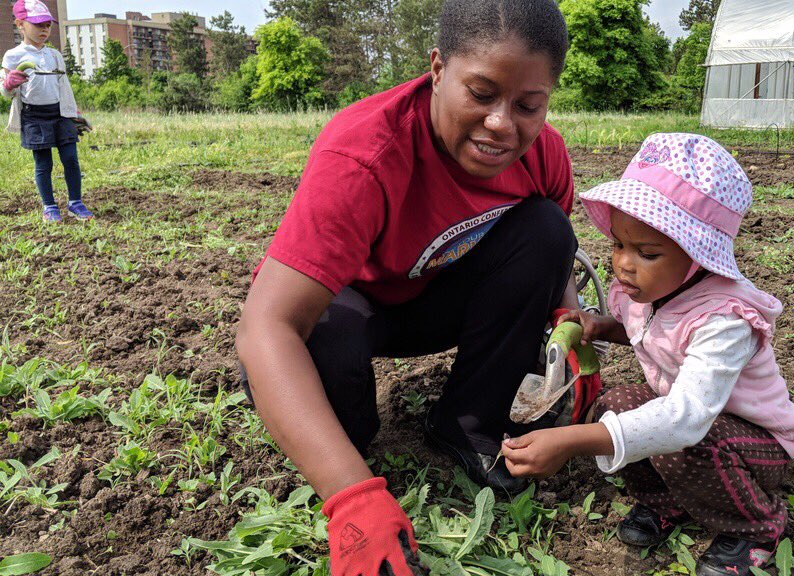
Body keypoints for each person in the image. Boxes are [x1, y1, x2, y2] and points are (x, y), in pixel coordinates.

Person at [234, 0, 587, 574]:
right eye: (480, 93)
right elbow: (266, 325)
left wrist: (572, 334)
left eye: (528, 105)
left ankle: (467, 422)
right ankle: (356, 457)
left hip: (438, 297)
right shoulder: (364, 153)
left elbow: (554, 261)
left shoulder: (543, 153)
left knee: (548, 229)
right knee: (338, 409)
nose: (502, 123)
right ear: (438, 68)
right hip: (350, 309)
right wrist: (351, 497)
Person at [500, 133, 794, 576]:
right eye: (619, 244)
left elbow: (685, 419)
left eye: (646, 252)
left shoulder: (725, 320)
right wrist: (606, 325)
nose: (624, 263)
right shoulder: (649, 291)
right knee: (615, 404)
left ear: (698, 255)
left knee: (681, 440)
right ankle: (667, 504)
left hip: (756, 444)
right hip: (698, 429)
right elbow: (650, 332)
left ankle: (757, 529)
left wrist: (569, 443)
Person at [1, 0, 92, 223]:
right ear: (20, 24)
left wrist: (73, 113)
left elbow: (64, 87)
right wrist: (9, 83)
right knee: (44, 164)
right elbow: (6, 93)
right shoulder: (13, 56)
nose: (44, 30)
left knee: (71, 159)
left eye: (48, 25)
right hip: (34, 116)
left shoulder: (55, 55)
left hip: (60, 114)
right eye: (38, 24)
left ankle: (75, 203)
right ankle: (49, 207)